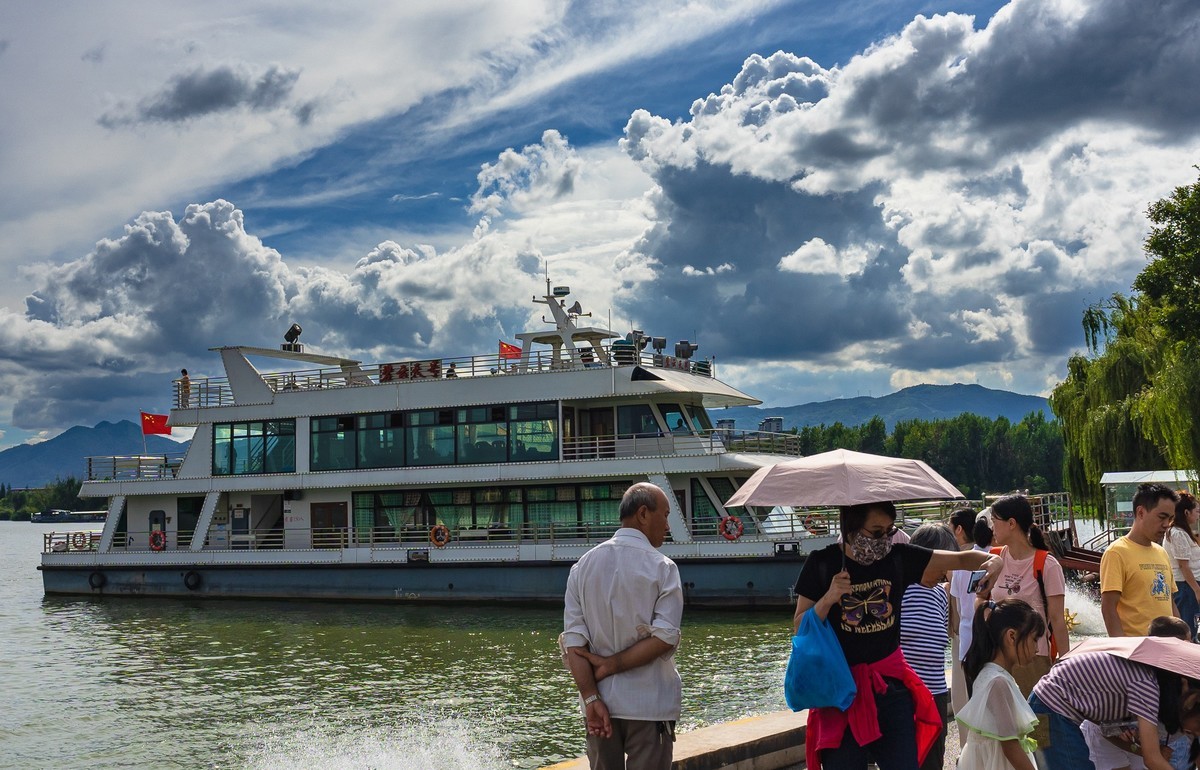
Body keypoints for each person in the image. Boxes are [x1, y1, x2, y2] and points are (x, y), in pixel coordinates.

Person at [792, 500, 1005, 770]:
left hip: (891, 690)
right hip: (839, 692)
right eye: (876, 531)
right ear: (851, 527)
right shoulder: (822, 563)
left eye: (890, 531)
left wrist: (994, 560)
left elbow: (962, 559)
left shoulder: (898, 557)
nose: (884, 540)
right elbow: (800, 626)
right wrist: (828, 598)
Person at [561, 482, 683, 770]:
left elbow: (574, 645)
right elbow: (665, 638)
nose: (667, 525)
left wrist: (591, 698)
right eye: (665, 515)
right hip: (649, 705)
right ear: (643, 514)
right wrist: (610, 665)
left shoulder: (582, 567)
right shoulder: (663, 568)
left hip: (598, 705)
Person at [1029, 641, 1188, 770]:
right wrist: (1153, 753)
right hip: (1052, 710)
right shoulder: (1146, 685)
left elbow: (1107, 730)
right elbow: (1152, 760)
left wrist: (1142, 750)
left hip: (1042, 706)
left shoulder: (1140, 677)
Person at [1080, 616, 1197, 770]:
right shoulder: (1145, 680)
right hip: (1107, 734)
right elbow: (1104, 728)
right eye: (1186, 644)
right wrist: (1143, 750)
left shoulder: (1187, 675)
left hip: (1140, 742)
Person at [985, 494, 1069, 699]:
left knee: (1036, 725)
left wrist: (1067, 664)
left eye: (994, 521)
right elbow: (982, 602)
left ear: (1011, 523)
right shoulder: (993, 558)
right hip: (998, 657)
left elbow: (1058, 620)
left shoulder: (1046, 564)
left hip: (1033, 657)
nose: (991, 527)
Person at [955, 598, 1045, 770]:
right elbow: (1010, 747)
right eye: (1034, 639)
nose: (1037, 648)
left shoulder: (990, 674)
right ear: (1012, 636)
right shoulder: (998, 682)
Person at [899, 523, 958, 770]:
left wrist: (952, 591)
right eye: (942, 562)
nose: (945, 571)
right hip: (904, 694)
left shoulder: (940, 593)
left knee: (934, 760)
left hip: (935, 693)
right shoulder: (899, 588)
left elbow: (948, 631)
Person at [1100, 483, 1180, 637]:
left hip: (1167, 650)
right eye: (1162, 517)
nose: (1166, 525)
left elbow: (1170, 603)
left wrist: (1181, 639)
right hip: (1136, 650)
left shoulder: (1161, 552)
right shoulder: (1116, 552)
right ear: (1141, 512)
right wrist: (1123, 651)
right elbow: (1108, 608)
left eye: (1170, 519)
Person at [949, 507, 993, 716]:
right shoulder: (996, 559)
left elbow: (957, 608)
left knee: (975, 698)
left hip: (967, 639)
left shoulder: (961, 562)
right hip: (993, 640)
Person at [1163, 492, 1200, 640]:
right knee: (1188, 626)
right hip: (1186, 586)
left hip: (1190, 584)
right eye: (1197, 511)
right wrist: (1196, 590)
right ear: (1186, 512)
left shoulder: (1183, 532)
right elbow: (1184, 566)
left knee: (1194, 625)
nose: (1198, 515)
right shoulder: (1177, 533)